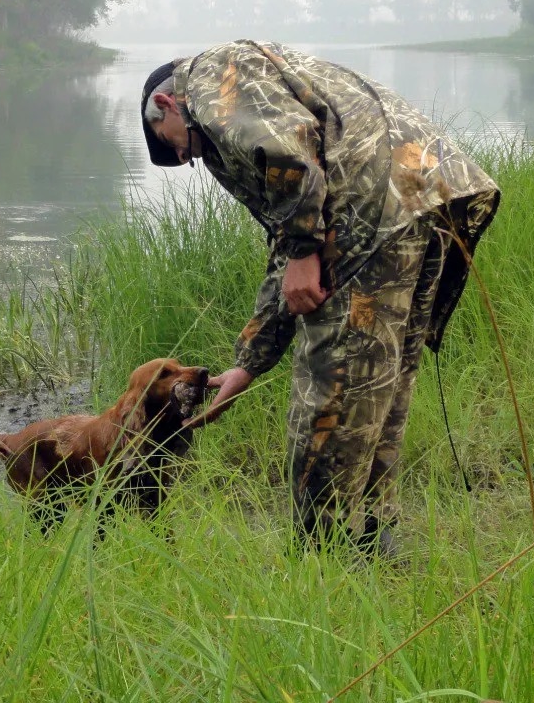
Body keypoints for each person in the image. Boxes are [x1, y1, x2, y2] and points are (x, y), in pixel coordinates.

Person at [140, 39, 500, 557]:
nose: (185, 155)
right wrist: (249, 362)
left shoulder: (212, 80)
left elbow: (288, 156)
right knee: (379, 381)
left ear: (166, 104)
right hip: (426, 194)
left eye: (173, 144)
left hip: (373, 208)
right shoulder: (256, 75)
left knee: (331, 388)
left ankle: (320, 556)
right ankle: (372, 538)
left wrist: (307, 250)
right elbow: (286, 243)